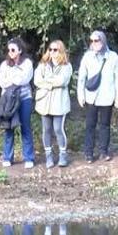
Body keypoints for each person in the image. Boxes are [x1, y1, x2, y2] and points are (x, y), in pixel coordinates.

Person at [77, 31, 118, 162]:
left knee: (105, 125)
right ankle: (88, 153)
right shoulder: (87, 57)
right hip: (91, 97)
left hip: (107, 97)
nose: (94, 43)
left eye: (96, 41)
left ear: (103, 41)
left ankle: (103, 151)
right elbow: (81, 77)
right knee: (90, 125)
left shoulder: (113, 57)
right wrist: (80, 95)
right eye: (91, 41)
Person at [0, 38, 35, 168]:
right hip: (8, 100)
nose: (10, 52)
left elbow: (24, 79)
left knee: (25, 127)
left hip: (24, 98)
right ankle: (7, 157)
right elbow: (2, 82)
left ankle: (29, 158)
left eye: (13, 50)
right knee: (8, 128)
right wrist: (14, 80)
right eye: (8, 50)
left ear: (20, 50)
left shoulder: (27, 63)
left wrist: (12, 80)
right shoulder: (4, 65)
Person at [34, 40, 73, 168]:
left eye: (55, 50)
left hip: (59, 104)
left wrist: (47, 82)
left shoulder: (66, 66)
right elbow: (37, 81)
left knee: (58, 129)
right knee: (46, 130)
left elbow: (62, 81)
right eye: (50, 49)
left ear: (61, 51)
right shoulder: (43, 64)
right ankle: (49, 156)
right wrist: (51, 83)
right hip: (44, 103)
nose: (52, 52)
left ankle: (62, 155)